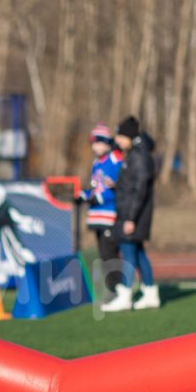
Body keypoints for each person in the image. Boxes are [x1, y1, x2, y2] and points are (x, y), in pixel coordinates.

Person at [102, 116, 160, 312]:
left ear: (128, 136)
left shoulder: (139, 156)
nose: (117, 140)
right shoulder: (134, 154)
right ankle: (151, 292)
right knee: (139, 253)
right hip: (132, 213)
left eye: (120, 136)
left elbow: (139, 189)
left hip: (133, 215)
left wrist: (130, 218)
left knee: (128, 253)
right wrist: (117, 185)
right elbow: (132, 185)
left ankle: (125, 295)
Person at [77, 123, 124, 298]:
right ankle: (113, 289)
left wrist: (101, 198)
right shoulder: (96, 163)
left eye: (98, 142)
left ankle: (119, 290)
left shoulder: (114, 160)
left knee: (110, 254)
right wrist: (84, 195)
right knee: (104, 255)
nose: (94, 146)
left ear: (106, 143)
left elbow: (117, 188)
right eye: (93, 142)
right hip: (97, 216)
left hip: (110, 215)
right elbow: (96, 187)